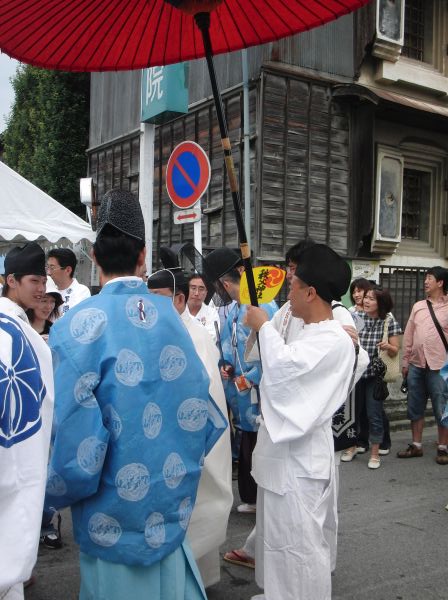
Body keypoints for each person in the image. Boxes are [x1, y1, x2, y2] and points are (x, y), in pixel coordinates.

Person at [44, 189, 227, 600]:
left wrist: (49, 496)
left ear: (94, 255)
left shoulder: (76, 327)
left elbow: (75, 443)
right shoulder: (172, 319)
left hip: (112, 517)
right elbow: (203, 410)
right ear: (143, 256)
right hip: (169, 508)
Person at [224, 239, 369, 572]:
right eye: (290, 269)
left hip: (305, 431)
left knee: (302, 535)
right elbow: (269, 350)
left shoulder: (336, 320)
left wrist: (264, 329)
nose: (289, 278)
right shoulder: (290, 309)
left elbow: (298, 365)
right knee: (278, 527)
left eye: (294, 271)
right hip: (280, 429)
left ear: (311, 287)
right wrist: (259, 326)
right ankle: (271, 577)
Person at [147, 267, 233, 588]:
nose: (150, 306)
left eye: (158, 298)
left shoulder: (193, 336)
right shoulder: (163, 330)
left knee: (194, 511)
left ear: (179, 299)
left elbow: (201, 395)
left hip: (191, 441)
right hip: (169, 439)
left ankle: (190, 582)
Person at [204, 247, 278, 513]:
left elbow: (273, 351)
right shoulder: (236, 308)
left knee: (261, 447)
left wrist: (251, 378)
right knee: (248, 445)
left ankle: (265, 501)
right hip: (241, 393)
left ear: (224, 284)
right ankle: (253, 499)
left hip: (258, 393)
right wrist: (225, 365)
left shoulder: (262, 305)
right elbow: (227, 346)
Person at [0, 242, 54, 599]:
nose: (41, 289)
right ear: (11, 281)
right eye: (34, 281)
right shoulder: (10, 329)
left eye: (44, 281)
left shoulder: (20, 326)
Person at [397, 266, 448, 464]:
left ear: (440, 283)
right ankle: (416, 445)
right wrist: (405, 361)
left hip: (440, 366)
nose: (425, 281)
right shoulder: (418, 306)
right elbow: (409, 335)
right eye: (425, 278)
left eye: (429, 278)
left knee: (442, 407)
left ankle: (443, 447)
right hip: (416, 365)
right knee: (414, 406)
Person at [352, 286, 401, 469]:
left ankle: (374, 454)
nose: (365, 301)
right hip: (356, 373)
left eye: (371, 299)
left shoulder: (388, 321)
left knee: (374, 413)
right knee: (354, 412)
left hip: (375, 376)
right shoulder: (357, 318)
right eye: (366, 297)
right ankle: (351, 446)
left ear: (380, 303)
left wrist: (388, 346)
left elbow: (395, 351)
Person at [46, 248, 90, 315]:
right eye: (47, 267)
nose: (48, 272)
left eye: (52, 268)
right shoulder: (48, 290)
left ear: (68, 270)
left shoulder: (82, 292)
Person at [187, 273, 220, 343]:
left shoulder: (212, 313)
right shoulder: (178, 311)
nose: (196, 293)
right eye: (193, 288)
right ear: (186, 290)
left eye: (201, 289)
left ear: (206, 292)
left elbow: (212, 338)